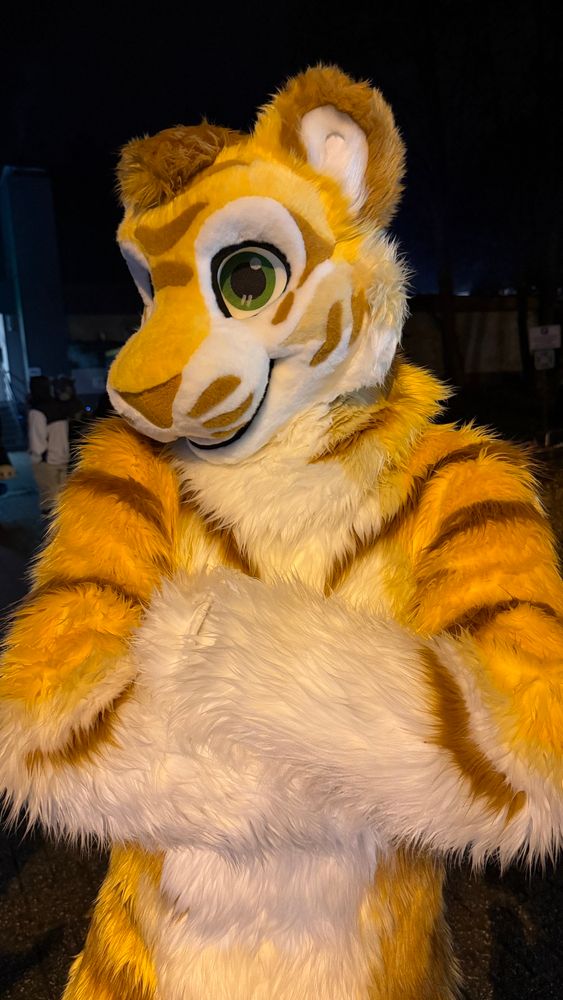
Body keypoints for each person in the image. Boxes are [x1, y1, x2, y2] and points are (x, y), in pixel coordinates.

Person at [27, 375, 70, 512]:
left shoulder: (37, 411)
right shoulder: (59, 407)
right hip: (62, 458)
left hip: (46, 461)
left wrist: (36, 458)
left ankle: (51, 525)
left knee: (49, 500)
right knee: (63, 497)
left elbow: (37, 441)